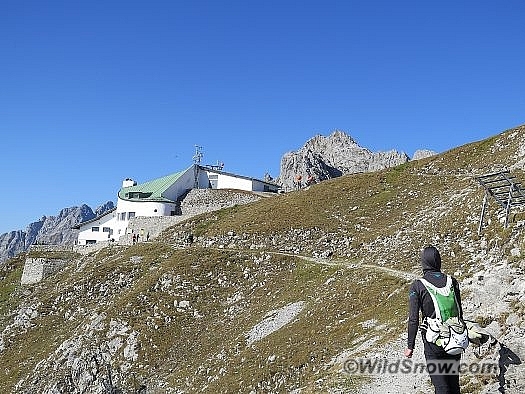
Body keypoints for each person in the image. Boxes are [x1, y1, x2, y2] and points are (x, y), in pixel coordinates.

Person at [404, 246, 464, 394]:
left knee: (441, 387)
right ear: (438, 261)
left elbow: (413, 319)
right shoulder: (452, 281)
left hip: (434, 343)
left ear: (424, 262)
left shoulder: (417, 286)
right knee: (454, 386)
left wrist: (410, 346)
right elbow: (460, 311)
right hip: (454, 339)